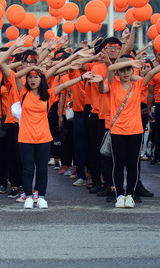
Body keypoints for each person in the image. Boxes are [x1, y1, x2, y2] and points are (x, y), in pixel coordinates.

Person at [13, 64, 98, 209]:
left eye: (36, 77)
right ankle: (28, 197)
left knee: (41, 169)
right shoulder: (24, 93)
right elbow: (16, 76)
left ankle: (40, 197)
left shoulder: (48, 94)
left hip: (43, 138)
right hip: (25, 138)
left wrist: (82, 77)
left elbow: (65, 84)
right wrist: (32, 67)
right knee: (27, 169)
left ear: (41, 80)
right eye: (30, 78)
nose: (33, 80)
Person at [102, 54, 160, 208]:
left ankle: (130, 196)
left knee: (133, 165)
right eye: (123, 70)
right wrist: (130, 62)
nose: (126, 73)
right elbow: (111, 68)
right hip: (117, 131)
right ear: (118, 73)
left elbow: (152, 73)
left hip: (135, 131)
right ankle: (119, 195)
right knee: (118, 165)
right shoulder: (113, 84)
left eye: (129, 70)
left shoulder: (138, 85)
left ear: (132, 71)